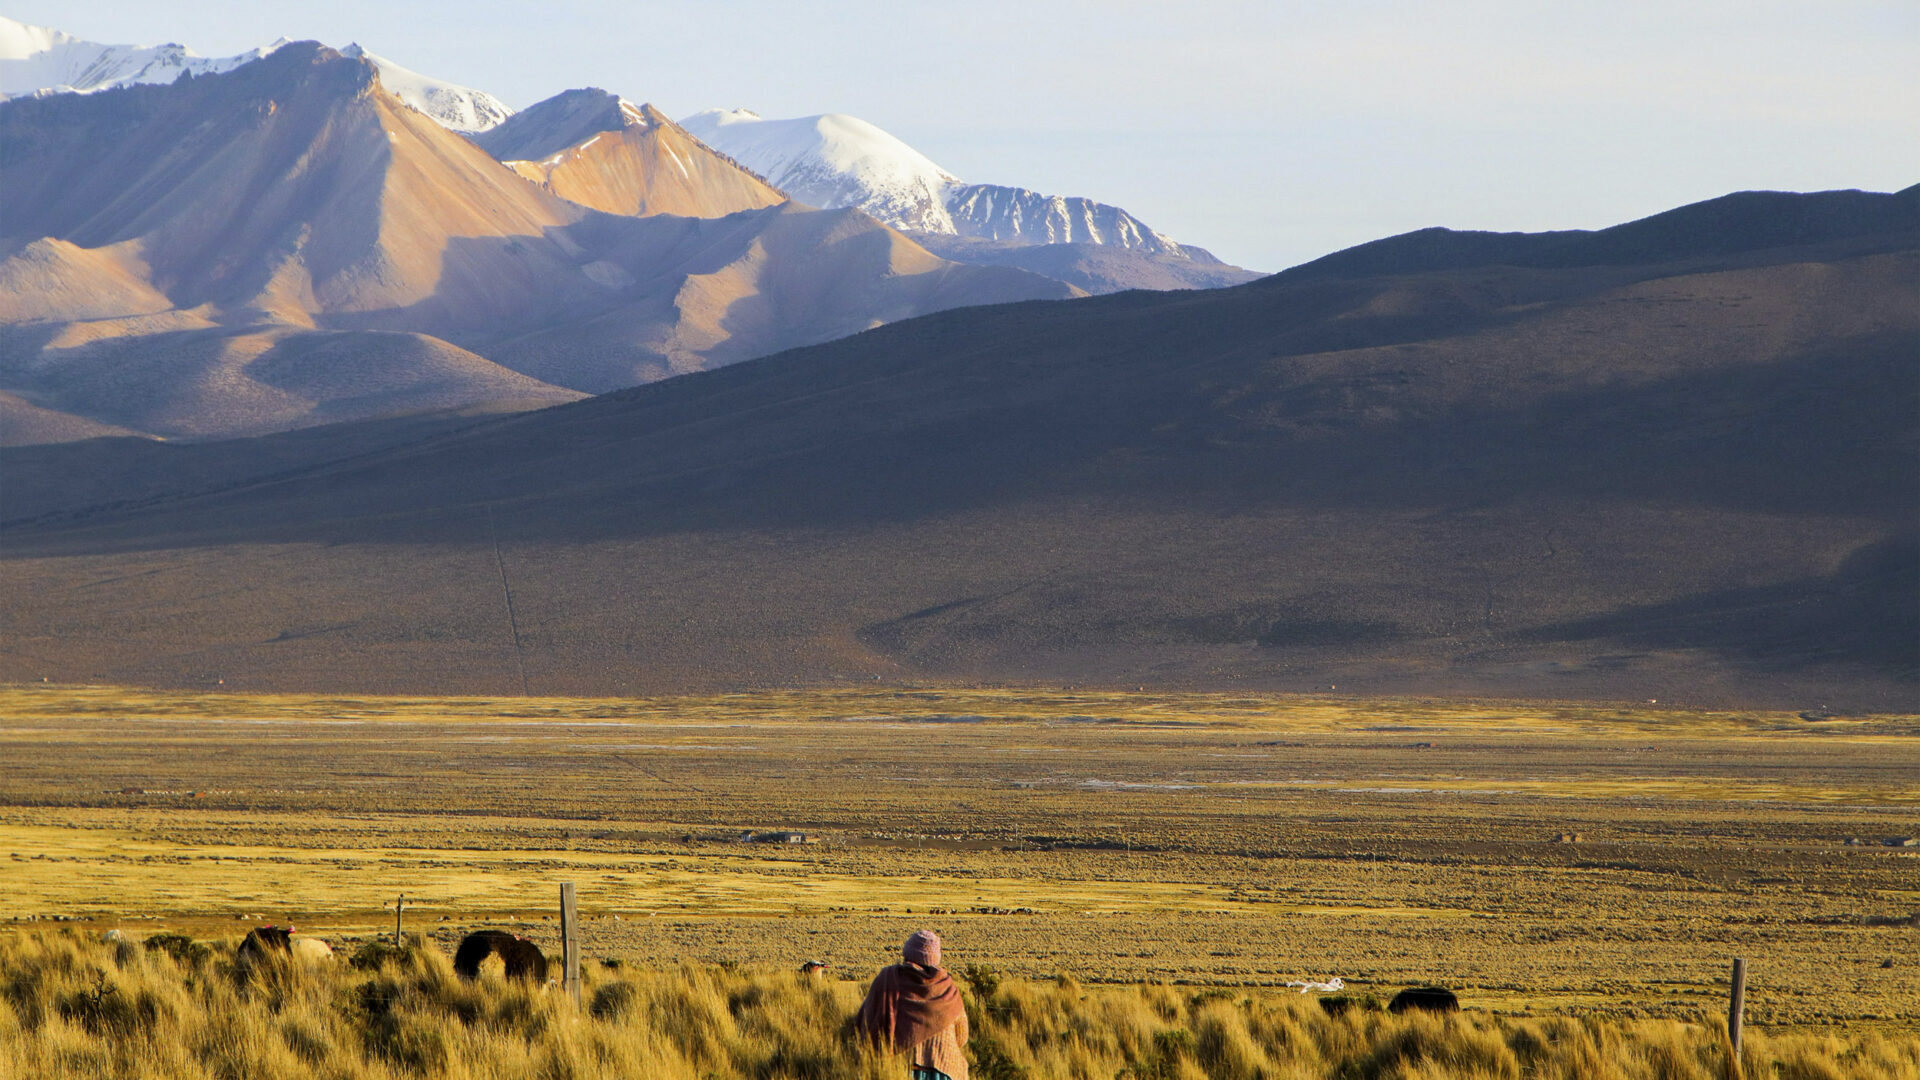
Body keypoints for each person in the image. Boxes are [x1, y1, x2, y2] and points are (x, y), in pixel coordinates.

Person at [854, 930, 970, 1080]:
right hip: (943, 1070)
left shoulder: (888, 979)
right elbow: (962, 1036)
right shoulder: (949, 988)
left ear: (907, 954)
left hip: (899, 1068)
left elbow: (866, 1021)